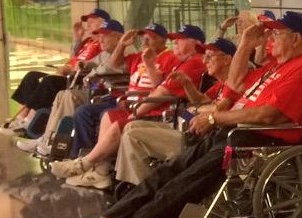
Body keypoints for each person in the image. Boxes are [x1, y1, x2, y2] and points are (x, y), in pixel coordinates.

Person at [21, 11, 302, 218]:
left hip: (257, 140)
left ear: (296, 38)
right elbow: (234, 84)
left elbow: (267, 115)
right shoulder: (275, 68)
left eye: (277, 34)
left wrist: (217, 119)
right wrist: (244, 44)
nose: (270, 39)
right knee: (162, 177)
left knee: (176, 190)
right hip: (233, 133)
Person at [50, 25, 208, 188]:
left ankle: (88, 167)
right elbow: (118, 67)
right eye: (174, 39)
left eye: (180, 39)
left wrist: (136, 111)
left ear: (195, 43)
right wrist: (126, 48)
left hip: (162, 112)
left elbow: (161, 92)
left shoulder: (189, 63)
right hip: (143, 104)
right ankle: (95, 169)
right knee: (102, 114)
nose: (175, 42)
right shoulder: (181, 62)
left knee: (117, 121)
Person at [112, 38, 237, 186]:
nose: (205, 61)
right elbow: (201, 100)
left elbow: (217, 109)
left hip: (197, 141)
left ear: (227, 60)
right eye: (205, 56)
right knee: (130, 126)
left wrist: (198, 110)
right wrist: (186, 83)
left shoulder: (233, 84)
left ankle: (143, 189)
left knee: (132, 137)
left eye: (210, 56)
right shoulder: (220, 84)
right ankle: (130, 183)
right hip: (186, 128)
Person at [16, 18, 128, 156]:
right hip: (95, 91)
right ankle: (47, 139)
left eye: (105, 36)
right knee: (62, 94)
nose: (101, 39)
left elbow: (108, 68)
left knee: (69, 96)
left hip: (109, 95)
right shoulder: (104, 52)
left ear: (118, 37)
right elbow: (88, 63)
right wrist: (85, 65)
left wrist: (92, 72)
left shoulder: (126, 52)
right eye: (100, 36)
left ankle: (58, 141)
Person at [66, 23, 178, 158]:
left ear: (163, 40)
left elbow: (160, 86)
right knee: (83, 112)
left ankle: (97, 161)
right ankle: (79, 157)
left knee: (105, 114)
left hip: (147, 106)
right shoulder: (137, 56)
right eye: (143, 37)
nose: (145, 41)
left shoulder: (170, 57)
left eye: (151, 37)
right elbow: (113, 65)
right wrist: (122, 44)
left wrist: (148, 63)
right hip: (128, 102)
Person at [2, 8, 109, 134]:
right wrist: (77, 39)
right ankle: (21, 116)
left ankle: (28, 121)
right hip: (66, 74)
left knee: (49, 81)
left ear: (103, 24)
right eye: (88, 22)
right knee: (32, 76)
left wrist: (70, 70)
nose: (88, 24)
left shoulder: (102, 44)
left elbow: (91, 65)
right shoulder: (87, 42)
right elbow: (73, 59)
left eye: (92, 21)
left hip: (76, 79)